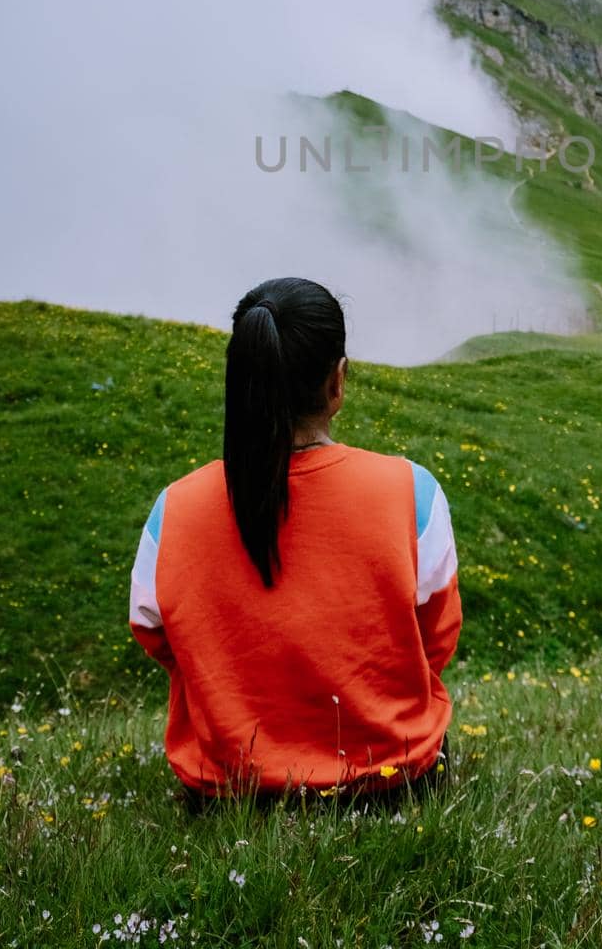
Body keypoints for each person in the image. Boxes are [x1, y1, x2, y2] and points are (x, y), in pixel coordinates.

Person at [129, 276, 462, 801]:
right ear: (337, 382)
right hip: (389, 784)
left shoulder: (174, 509)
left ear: (242, 382)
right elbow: (436, 637)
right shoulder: (410, 491)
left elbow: (153, 631)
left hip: (230, 792)